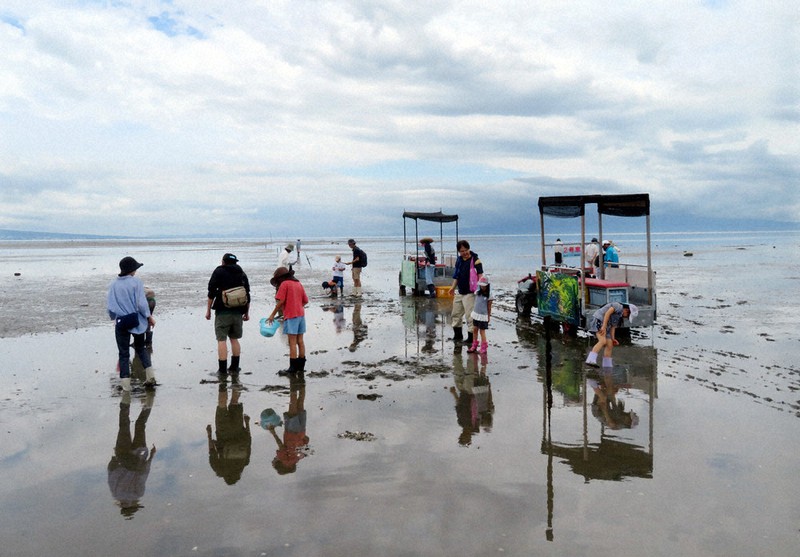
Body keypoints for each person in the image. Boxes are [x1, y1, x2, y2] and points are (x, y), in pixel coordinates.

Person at [107, 256, 157, 392]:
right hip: (137, 321)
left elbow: (110, 307)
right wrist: (149, 317)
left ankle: (126, 386)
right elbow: (141, 303)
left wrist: (114, 318)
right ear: (131, 270)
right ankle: (150, 377)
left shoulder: (113, 284)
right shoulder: (136, 282)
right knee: (141, 348)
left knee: (123, 353)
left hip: (121, 322)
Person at [107, 389, 156, 518]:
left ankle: (149, 402)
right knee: (124, 425)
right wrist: (114, 458)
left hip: (138, 457)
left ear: (133, 505)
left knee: (140, 425)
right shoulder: (115, 493)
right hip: (122, 455)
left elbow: (143, 474)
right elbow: (111, 472)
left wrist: (151, 457)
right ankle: (125, 399)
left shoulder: (138, 494)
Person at [206, 253, 251, 377]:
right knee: (234, 339)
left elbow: (211, 292)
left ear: (223, 261)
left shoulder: (219, 271)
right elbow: (247, 295)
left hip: (222, 311)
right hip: (238, 311)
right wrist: (247, 313)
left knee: (221, 340)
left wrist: (208, 310)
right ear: (235, 262)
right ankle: (235, 367)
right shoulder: (242, 273)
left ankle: (222, 370)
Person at [206, 384, 252, 485]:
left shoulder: (244, 463)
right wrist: (209, 434)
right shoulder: (220, 470)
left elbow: (248, 442)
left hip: (238, 429)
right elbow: (212, 452)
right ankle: (222, 384)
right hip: (223, 432)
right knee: (222, 406)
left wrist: (247, 423)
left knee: (234, 402)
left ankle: (235, 382)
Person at [267, 266, 309, 375]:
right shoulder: (298, 283)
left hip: (291, 316)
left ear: (280, 278)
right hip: (301, 315)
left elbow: (280, 302)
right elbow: (305, 300)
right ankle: (301, 366)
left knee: (292, 342)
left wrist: (272, 315)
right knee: (300, 341)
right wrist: (297, 305)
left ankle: (292, 368)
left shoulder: (284, 284)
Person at [448, 240, 483, 346]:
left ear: (469, 249)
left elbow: (480, 276)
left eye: (466, 250)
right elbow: (456, 275)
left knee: (470, 316)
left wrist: (481, 290)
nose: (464, 253)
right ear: (459, 252)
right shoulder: (459, 260)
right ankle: (458, 336)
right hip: (460, 292)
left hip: (470, 293)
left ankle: (471, 339)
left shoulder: (476, 260)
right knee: (455, 314)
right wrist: (452, 288)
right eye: (462, 251)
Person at [585, 302, 638, 368]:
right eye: (627, 316)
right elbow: (607, 313)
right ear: (626, 310)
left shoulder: (619, 316)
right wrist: (604, 326)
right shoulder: (618, 306)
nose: (626, 317)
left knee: (610, 344)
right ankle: (590, 359)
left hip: (607, 326)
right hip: (599, 320)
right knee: (602, 341)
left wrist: (613, 338)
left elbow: (613, 327)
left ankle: (607, 365)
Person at [467, 276, 493, 354]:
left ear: (487, 285)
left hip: (483, 316)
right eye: (481, 285)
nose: (482, 287)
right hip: (476, 314)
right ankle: (474, 345)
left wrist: (488, 316)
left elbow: (489, 307)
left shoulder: (489, 295)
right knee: (475, 329)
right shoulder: (477, 292)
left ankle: (484, 347)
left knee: (482, 331)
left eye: (484, 285)